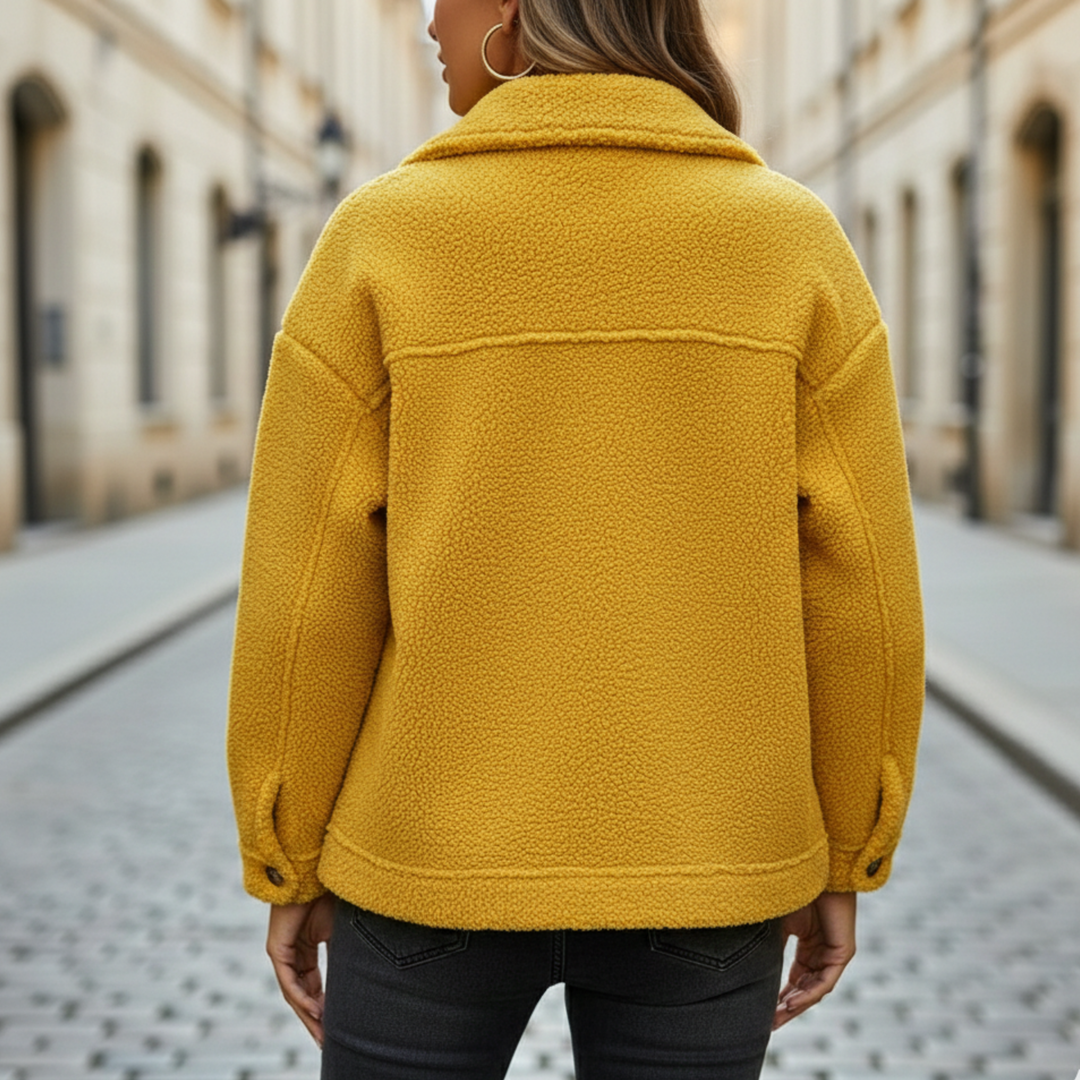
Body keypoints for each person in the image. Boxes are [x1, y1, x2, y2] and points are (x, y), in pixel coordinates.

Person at [225, 0, 925, 1074]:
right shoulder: (790, 242)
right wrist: (847, 850)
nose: (427, 20)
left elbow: (306, 593)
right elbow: (864, 592)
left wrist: (289, 854)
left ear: (511, 8)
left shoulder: (384, 237)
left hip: (429, 864)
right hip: (710, 862)